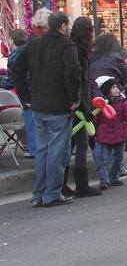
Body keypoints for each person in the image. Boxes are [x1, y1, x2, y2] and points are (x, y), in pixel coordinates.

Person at [9, 11, 80, 207]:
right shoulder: (66, 45)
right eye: (68, 25)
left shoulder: (34, 44)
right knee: (57, 152)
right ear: (63, 26)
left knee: (43, 151)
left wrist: (26, 97)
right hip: (58, 106)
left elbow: (17, 69)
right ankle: (51, 193)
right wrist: (74, 97)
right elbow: (73, 71)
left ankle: (39, 193)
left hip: (39, 105)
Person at [67, 17, 101, 197]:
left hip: (79, 100)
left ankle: (71, 183)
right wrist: (84, 105)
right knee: (76, 143)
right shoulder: (78, 51)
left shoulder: (75, 48)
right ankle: (80, 184)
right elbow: (78, 80)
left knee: (74, 143)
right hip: (78, 102)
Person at [90, 34, 127, 154]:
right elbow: (126, 77)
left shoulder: (92, 58)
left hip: (93, 97)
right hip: (110, 97)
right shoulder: (115, 58)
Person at [91, 76, 127, 190]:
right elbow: (96, 120)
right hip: (104, 135)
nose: (116, 90)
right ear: (107, 91)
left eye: (117, 87)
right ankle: (104, 179)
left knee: (119, 158)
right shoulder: (101, 106)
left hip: (119, 134)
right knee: (103, 159)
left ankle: (114, 176)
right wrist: (92, 132)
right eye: (113, 87)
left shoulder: (123, 104)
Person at [0, 29, 35, 158]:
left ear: (12, 40)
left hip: (25, 94)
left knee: (28, 117)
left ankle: (31, 148)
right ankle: (28, 146)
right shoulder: (30, 51)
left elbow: (11, 81)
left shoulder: (14, 55)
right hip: (36, 91)